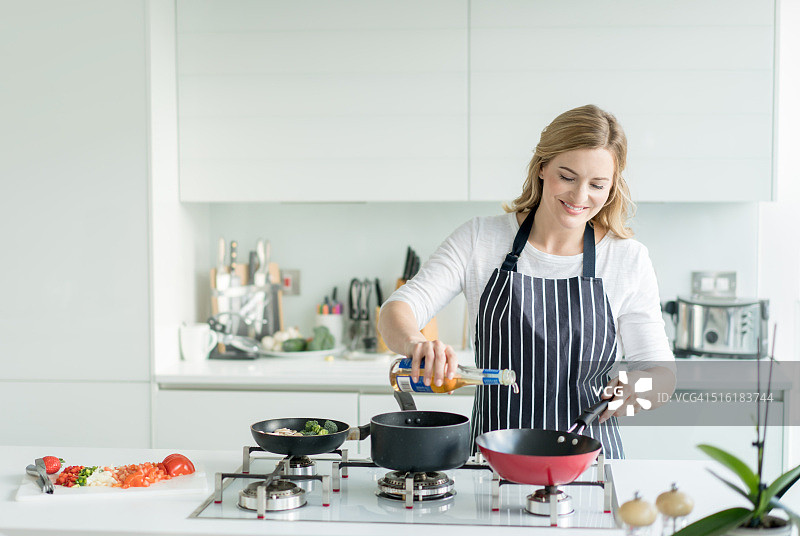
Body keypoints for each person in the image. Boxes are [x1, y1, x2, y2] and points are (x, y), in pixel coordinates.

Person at [377, 104, 676, 458]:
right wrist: (416, 344)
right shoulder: (481, 239)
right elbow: (397, 310)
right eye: (567, 176)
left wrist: (639, 388)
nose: (580, 197)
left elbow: (661, 375)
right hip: (493, 465)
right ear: (542, 167)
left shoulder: (627, 258)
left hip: (589, 467)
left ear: (612, 187)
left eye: (597, 184)